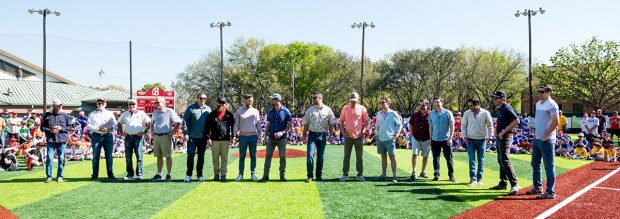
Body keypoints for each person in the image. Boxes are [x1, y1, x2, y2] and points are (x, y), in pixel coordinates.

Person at [525, 85, 559, 199]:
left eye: (542, 92)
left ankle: (550, 192)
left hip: (547, 140)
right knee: (535, 164)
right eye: (538, 91)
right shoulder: (538, 104)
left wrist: (546, 135)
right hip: (537, 139)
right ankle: (537, 187)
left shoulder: (552, 104)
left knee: (549, 166)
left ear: (549, 92)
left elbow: (556, 121)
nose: (539, 94)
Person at [490, 90, 521, 195]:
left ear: (503, 98)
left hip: (506, 137)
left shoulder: (507, 108)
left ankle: (515, 184)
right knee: (500, 160)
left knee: (504, 159)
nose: (494, 100)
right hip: (501, 137)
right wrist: (497, 132)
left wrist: (503, 131)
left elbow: (516, 121)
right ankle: (503, 182)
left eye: (496, 98)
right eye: (494, 98)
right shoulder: (502, 109)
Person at [301, 91, 335, 183]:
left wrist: (331, 135)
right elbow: (306, 123)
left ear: (320, 98)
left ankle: (319, 176)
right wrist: (304, 135)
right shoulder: (310, 110)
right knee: (310, 156)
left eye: (315, 97)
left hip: (322, 135)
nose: (313, 99)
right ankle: (310, 176)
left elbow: (331, 123)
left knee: (320, 157)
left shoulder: (328, 110)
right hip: (312, 135)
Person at [461, 98, 493, 186]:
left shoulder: (486, 113)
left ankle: (479, 178)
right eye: (469, 105)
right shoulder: (467, 113)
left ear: (477, 104)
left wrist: (490, 137)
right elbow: (463, 125)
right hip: (470, 139)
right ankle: (473, 179)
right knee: (471, 160)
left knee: (481, 160)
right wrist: (465, 136)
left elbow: (490, 126)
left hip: (482, 140)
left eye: (471, 105)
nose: (469, 107)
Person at [260, 93, 292, 182]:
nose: (271, 100)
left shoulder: (286, 111)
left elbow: (290, 125)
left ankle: (282, 175)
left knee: (282, 157)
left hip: (282, 138)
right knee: (268, 156)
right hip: (271, 138)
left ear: (278, 100)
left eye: (273, 99)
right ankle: (265, 175)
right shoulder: (270, 111)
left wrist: (282, 132)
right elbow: (268, 125)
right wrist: (265, 136)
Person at [338, 92, 370, 182]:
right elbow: (341, 121)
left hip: (358, 136)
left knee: (359, 156)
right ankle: (345, 174)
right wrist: (343, 132)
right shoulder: (345, 109)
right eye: (352, 101)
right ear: (350, 100)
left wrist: (363, 132)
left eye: (355, 101)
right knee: (346, 156)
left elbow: (366, 121)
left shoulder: (362, 108)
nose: (353, 102)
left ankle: (360, 174)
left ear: (358, 100)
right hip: (348, 136)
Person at [117, 99, 151, 180]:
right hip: (128, 137)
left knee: (139, 156)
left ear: (137, 105)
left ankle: (139, 173)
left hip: (138, 137)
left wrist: (144, 132)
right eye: (130, 105)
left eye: (133, 105)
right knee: (128, 157)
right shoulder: (125, 114)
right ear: (128, 105)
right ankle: (130, 174)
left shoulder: (141, 113)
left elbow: (150, 122)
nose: (131, 106)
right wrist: (121, 132)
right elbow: (119, 123)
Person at [150, 96, 182, 182]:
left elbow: (179, 122)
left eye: (158, 102)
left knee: (167, 156)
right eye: (156, 103)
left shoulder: (169, 111)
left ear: (164, 102)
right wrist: (152, 131)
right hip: (157, 136)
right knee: (158, 156)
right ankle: (159, 174)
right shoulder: (155, 112)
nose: (157, 104)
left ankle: (168, 174)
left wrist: (172, 132)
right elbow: (151, 123)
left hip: (166, 136)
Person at [181, 93, 211, 182]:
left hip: (203, 137)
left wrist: (209, 137)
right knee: (190, 155)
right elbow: (185, 121)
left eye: (205, 98)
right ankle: (188, 175)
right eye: (201, 98)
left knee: (201, 157)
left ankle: (200, 175)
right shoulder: (191, 108)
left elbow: (210, 124)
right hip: (192, 136)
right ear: (197, 98)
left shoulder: (208, 109)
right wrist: (186, 133)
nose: (203, 100)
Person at [204, 97, 235, 182]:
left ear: (225, 104)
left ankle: (223, 174)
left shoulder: (229, 115)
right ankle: (216, 174)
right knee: (215, 158)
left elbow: (233, 127)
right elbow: (207, 127)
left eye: (223, 103)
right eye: (219, 102)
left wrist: (233, 137)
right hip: (214, 140)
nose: (221, 104)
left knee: (224, 158)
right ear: (216, 103)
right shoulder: (211, 115)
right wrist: (208, 138)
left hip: (225, 139)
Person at [41, 99, 72, 183]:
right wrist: (50, 130)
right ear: (53, 106)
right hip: (51, 140)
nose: (60, 106)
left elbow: (69, 127)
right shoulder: (47, 115)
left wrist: (61, 128)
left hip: (62, 140)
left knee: (61, 159)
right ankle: (49, 176)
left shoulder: (65, 115)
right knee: (49, 158)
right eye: (58, 105)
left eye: (61, 105)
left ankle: (60, 176)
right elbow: (42, 127)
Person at [87, 98, 118, 181]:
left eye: (102, 103)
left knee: (109, 156)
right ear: (96, 104)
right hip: (96, 136)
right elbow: (89, 125)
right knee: (96, 156)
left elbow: (115, 124)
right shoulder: (92, 114)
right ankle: (94, 174)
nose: (100, 104)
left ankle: (110, 174)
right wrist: (98, 128)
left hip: (107, 135)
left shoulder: (109, 113)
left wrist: (110, 128)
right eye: (99, 103)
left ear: (105, 104)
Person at [234, 94, 262, 181]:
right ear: (245, 101)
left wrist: (260, 134)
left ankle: (253, 174)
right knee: (242, 156)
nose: (250, 103)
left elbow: (258, 124)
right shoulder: (239, 111)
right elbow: (236, 124)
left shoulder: (255, 111)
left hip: (253, 136)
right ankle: (240, 174)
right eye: (249, 101)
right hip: (243, 137)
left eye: (251, 101)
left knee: (253, 156)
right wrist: (235, 135)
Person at [374, 97, 403, 183]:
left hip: (390, 138)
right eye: (380, 102)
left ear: (388, 103)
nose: (381, 103)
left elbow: (399, 124)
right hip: (380, 138)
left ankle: (394, 176)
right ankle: (383, 175)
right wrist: (377, 133)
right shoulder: (378, 114)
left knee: (392, 157)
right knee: (383, 157)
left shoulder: (393, 113)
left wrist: (397, 134)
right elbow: (377, 125)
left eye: (383, 102)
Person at [428, 97, 455, 182]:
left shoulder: (448, 113)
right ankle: (436, 174)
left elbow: (452, 126)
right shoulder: (432, 114)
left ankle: (451, 175)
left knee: (449, 158)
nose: (436, 104)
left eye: (438, 102)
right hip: (435, 139)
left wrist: (450, 138)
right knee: (436, 158)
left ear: (442, 103)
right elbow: (430, 126)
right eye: (435, 102)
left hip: (446, 139)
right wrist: (431, 138)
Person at [409, 99, 432, 180]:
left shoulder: (431, 114)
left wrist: (432, 138)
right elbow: (410, 124)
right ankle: (414, 171)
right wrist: (411, 135)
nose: (422, 107)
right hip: (416, 137)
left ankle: (423, 171)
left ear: (427, 105)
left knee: (426, 156)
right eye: (420, 105)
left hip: (427, 138)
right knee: (415, 154)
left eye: (423, 105)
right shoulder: (415, 114)